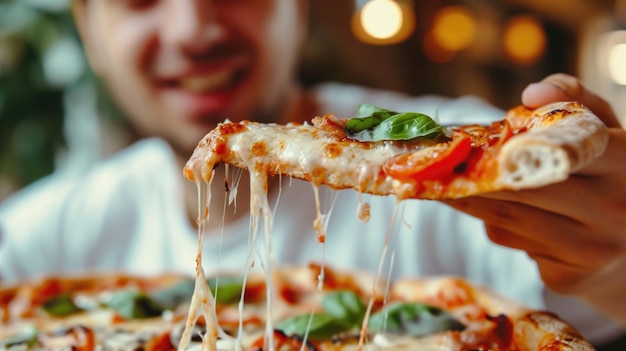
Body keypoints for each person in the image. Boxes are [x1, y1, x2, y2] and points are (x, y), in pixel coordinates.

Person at [0, 0, 625, 348]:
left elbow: (602, 310)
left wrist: (615, 267)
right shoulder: (33, 244)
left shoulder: (462, 162)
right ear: (91, 32)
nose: (193, 27)